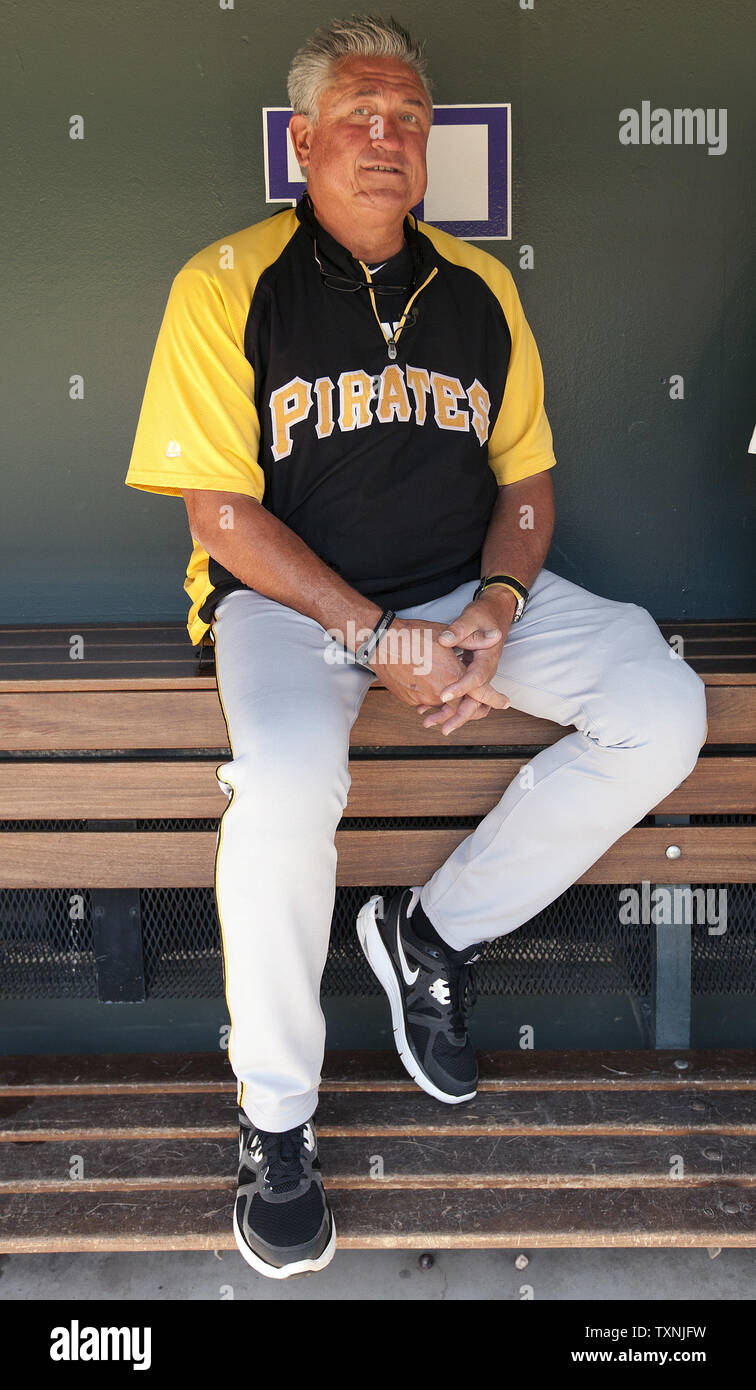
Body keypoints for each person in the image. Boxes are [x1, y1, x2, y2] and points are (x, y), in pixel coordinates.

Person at [124, 14, 708, 1280]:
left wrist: (497, 604)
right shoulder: (224, 284)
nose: (385, 138)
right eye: (359, 116)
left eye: (407, 120)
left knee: (664, 707)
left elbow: (531, 481)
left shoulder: (479, 286)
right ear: (304, 140)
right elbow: (220, 515)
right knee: (285, 786)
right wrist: (368, 632)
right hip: (287, 612)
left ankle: (431, 933)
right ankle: (275, 1123)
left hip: (455, 595)